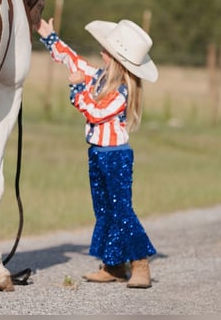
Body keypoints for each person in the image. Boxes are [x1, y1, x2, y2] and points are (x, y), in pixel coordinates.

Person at [37, 16, 158, 288]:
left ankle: (140, 263)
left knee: (122, 211)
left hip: (116, 157)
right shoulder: (101, 76)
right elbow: (74, 61)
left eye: (107, 50)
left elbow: (96, 112)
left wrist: (77, 87)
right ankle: (113, 265)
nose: (101, 51)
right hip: (98, 154)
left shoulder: (122, 92)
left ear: (116, 60)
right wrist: (51, 38)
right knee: (104, 210)